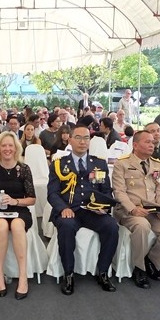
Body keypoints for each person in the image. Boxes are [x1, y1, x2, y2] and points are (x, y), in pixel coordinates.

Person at [48, 124, 119, 295]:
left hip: (92, 210)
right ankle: (69, 273)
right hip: (69, 210)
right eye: (78, 137)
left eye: (86, 138)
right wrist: (63, 208)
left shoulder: (99, 164)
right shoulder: (59, 164)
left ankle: (102, 272)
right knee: (66, 226)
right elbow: (52, 193)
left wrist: (103, 207)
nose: (82, 141)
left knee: (111, 226)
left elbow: (106, 192)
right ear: (70, 140)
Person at [112, 130, 160, 289]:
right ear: (135, 145)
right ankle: (139, 267)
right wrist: (133, 209)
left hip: (154, 210)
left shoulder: (158, 165)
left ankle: (152, 262)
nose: (152, 144)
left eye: (153, 142)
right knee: (142, 227)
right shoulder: (122, 163)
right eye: (147, 142)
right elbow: (119, 191)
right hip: (130, 210)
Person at [0, 132, 36, 299]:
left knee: (17, 226)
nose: (7, 149)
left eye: (10, 145)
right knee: (1, 225)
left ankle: (23, 277)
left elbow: (32, 199)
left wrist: (15, 201)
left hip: (19, 209)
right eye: (3, 145)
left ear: (16, 148)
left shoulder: (24, 169)